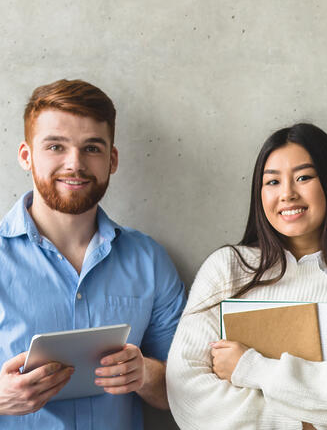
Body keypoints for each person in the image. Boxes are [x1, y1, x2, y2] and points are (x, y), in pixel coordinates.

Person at [165, 124, 327, 429]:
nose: (287, 194)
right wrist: (303, 425)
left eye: (303, 177)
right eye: (272, 181)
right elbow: (187, 393)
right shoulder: (227, 268)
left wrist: (250, 368)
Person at [0, 79, 187, 428]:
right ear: (26, 156)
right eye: (56, 146)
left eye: (92, 148)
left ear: (112, 159)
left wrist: (145, 374)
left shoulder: (150, 261)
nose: (75, 164)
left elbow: (186, 390)